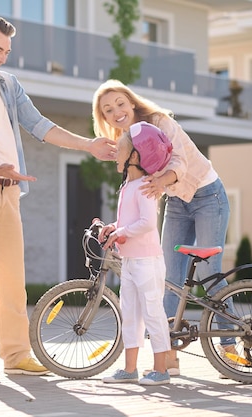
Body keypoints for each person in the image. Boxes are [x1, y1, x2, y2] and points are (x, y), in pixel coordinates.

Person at [0, 15, 116, 382]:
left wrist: (89, 145)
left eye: (7, 51)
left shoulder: (8, 85)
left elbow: (40, 126)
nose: (2, 57)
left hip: (10, 194)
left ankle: (16, 354)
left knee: (11, 280)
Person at [92, 79, 235, 378]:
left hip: (207, 194)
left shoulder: (158, 122)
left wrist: (161, 181)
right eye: (108, 110)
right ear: (103, 118)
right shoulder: (126, 140)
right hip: (176, 201)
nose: (116, 111)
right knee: (170, 276)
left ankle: (230, 347)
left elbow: (180, 161)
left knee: (209, 272)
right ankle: (168, 356)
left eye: (120, 103)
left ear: (131, 102)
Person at [99, 122, 173, 386]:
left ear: (134, 156)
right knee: (129, 312)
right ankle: (130, 369)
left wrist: (122, 232)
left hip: (147, 261)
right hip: (129, 261)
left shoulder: (145, 185)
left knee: (153, 312)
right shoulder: (127, 186)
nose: (116, 154)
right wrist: (114, 228)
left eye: (120, 150)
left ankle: (161, 370)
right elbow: (129, 223)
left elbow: (147, 223)